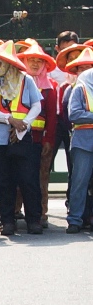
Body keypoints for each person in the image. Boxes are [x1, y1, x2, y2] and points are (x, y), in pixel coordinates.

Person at [0, 41, 43, 237]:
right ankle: (7, 221)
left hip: (22, 136)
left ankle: (34, 220)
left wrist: (24, 124)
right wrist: (10, 120)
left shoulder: (25, 80)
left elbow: (37, 105)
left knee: (28, 179)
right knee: (3, 181)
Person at [19, 41, 61, 222]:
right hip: (19, 137)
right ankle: (15, 210)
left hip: (40, 139)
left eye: (39, 60)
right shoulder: (18, 82)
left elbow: (52, 117)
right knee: (18, 177)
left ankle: (41, 212)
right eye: (31, 60)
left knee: (41, 177)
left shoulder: (50, 86)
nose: (35, 64)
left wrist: (49, 140)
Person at [61, 46, 93, 233]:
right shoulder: (79, 89)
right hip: (83, 142)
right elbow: (74, 114)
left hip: (84, 140)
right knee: (79, 181)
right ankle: (74, 220)